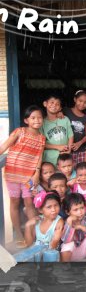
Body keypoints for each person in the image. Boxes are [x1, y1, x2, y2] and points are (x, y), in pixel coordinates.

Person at [0, 105, 46, 247]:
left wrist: (37, 173)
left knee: (29, 203)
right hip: (12, 174)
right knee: (14, 202)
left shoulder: (41, 138)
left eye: (39, 117)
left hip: (29, 176)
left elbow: (39, 156)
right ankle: (19, 235)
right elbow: (3, 147)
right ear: (26, 120)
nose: (37, 120)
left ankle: (33, 233)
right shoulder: (19, 132)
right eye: (33, 118)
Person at [60, 193, 86, 262]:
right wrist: (69, 223)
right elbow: (66, 240)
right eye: (75, 210)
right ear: (68, 212)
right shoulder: (67, 221)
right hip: (71, 254)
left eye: (82, 208)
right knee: (68, 244)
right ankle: (65, 267)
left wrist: (81, 227)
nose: (80, 212)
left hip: (83, 252)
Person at [40, 95, 74, 166]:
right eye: (52, 102)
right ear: (45, 104)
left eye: (57, 104)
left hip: (64, 158)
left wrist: (69, 149)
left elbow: (70, 136)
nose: (54, 105)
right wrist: (58, 147)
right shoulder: (41, 123)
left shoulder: (65, 119)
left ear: (60, 108)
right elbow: (41, 143)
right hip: (49, 158)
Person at [64, 90, 86, 165]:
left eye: (85, 102)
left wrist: (79, 143)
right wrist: (59, 113)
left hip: (81, 150)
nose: (82, 104)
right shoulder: (66, 111)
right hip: (66, 149)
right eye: (80, 101)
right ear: (75, 99)